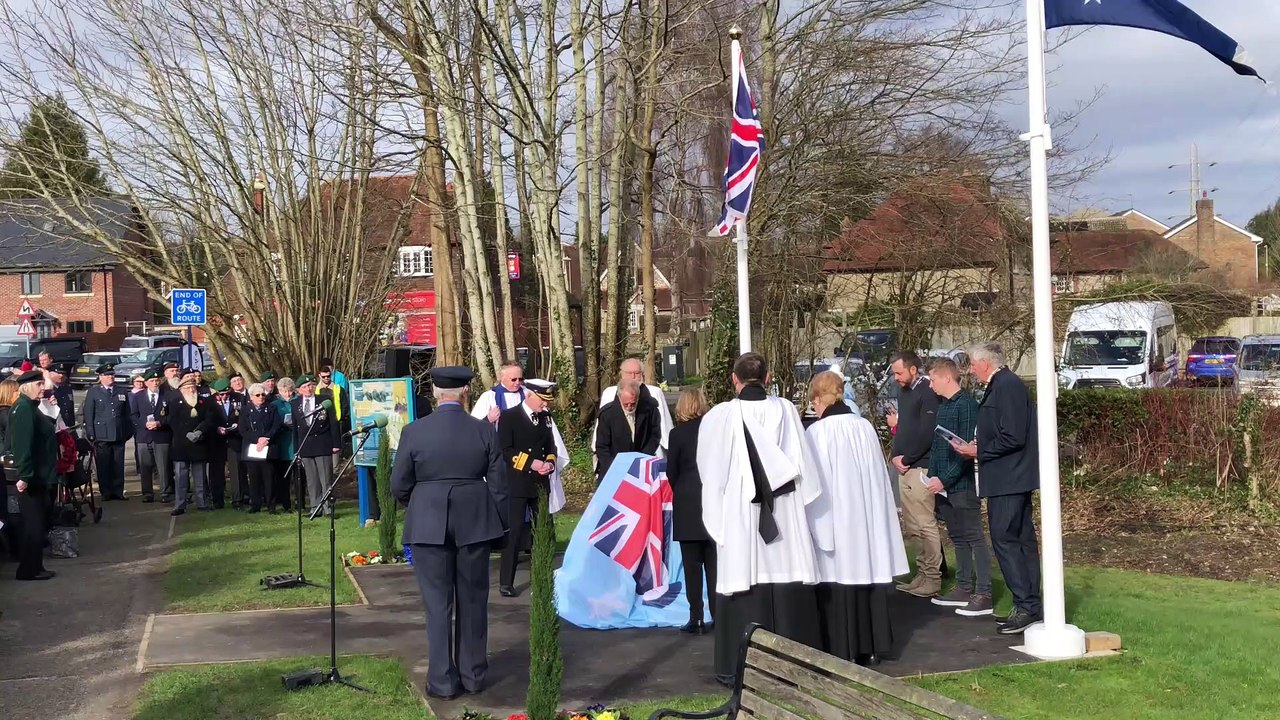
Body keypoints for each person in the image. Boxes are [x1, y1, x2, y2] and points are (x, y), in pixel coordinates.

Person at [696, 352, 832, 685]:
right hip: (783, 506)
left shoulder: (719, 416)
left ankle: (737, 666)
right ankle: (797, 665)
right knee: (787, 573)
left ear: (734, 379)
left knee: (746, 573)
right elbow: (806, 468)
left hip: (742, 510)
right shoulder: (785, 409)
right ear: (768, 378)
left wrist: (718, 509)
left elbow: (709, 470)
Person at [392, 365, 508, 700]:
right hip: (474, 521)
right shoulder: (483, 431)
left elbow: (398, 483)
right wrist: (499, 525)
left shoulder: (414, 431)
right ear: (464, 394)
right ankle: (473, 675)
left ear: (436, 395)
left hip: (428, 523)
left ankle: (442, 680)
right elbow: (499, 484)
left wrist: (421, 503)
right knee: (473, 601)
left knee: (436, 604)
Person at [806, 371, 907, 666]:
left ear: (816, 399)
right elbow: (876, 476)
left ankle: (843, 645)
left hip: (837, 519)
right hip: (866, 517)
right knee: (867, 576)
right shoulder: (863, 427)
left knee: (840, 579)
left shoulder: (817, 433)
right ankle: (872, 645)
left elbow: (815, 485)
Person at [952, 342, 1042, 634]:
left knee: (1007, 539)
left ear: (985, 363)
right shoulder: (1002, 385)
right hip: (1008, 476)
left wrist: (979, 451)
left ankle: (1027, 605)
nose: (972, 370)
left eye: (974, 365)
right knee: (1019, 539)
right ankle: (1029, 604)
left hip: (1009, 478)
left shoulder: (1006, 385)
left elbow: (1013, 435)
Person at [926, 359, 993, 618]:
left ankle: (984, 592)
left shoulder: (966, 405)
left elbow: (965, 450)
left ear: (946, 378)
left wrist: (946, 479)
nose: (930, 385)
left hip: (961, 484)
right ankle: (964, 586)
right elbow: (939, 445)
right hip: (942, 484)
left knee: (974, 536)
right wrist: (933, 476)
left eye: (933, 380)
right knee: (957, 536)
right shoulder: (943, 406)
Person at [496, 378, 561, 598]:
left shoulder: (546, 418)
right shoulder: (509, 417)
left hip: (540, 483)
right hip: (518, 482)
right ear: (529, 395)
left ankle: (542, 577)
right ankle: (506, 581)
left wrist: (550, 463)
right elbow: (505, 450)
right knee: (514, 534)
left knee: (541, 532)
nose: (545, 405)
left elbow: (550, 446)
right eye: (542, 400)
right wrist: (530, 463)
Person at [887, 351, 942, 598]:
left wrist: (907, 459)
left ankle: (933, 577)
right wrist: (896, 457)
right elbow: (906, 428)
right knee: (913, 526)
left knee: (925, 523)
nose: (895, 377)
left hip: (920, 467)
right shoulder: (904, 392)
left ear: (912, 369)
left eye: (899, 372)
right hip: (904, 468)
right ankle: (922, 573)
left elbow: (927, 432)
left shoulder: (927, 392)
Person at [665, 387, 715, 635]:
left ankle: (696, 616)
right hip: (712, 502)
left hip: (686, 502)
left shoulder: (677, 435)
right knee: (714, 565)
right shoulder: (714, 432)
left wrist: (682, 490)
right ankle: (718, 614)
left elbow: (671, 471)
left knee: (692, 566)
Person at [8, 369, 58, 581]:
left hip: (40, 474)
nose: (43, 388)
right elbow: (22, 446)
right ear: (28, 386)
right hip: (32, 476)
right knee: (33, 525)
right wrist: (25, 475)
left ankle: (36, 566)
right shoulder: (23, 409)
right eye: (39, 384)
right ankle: (27, 570)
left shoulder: (31, 407)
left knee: (38, 523)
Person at [593, 358, 674, 455]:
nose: (633, 376)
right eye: (629, 373)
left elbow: (659, 429)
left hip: (645, 455)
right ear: (621, 374)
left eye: (637, 373)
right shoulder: (609, 394)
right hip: (615, 458)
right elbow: (602, 437)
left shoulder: (653, 396)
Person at [167, 373, 216, 516]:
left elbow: (209, 419)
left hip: (198, 444)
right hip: (181, 445)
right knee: (181, 477)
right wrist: (186, 433)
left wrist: (199, 431)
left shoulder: (203, 402)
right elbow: (173, 421)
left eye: (193, 387)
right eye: (188, 387)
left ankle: (202, 503)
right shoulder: (175, 402)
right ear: (182, 389)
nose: (191, 390)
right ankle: (180, 505)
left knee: (200, 476)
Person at [83, 363, 133, 501]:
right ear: (101, 377)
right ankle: (106, 492)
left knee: (118, 464)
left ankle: (118, 490)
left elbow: (127, 413)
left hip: (118, 432)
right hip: (102, 434)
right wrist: (90, 432)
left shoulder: (121, 391)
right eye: (107, 375)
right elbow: (88, 413)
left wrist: (128, 431)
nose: (111, 377)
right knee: (104, 464)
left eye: (112, 374)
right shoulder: (94, 392)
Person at [594, 380, 662, 481]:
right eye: (625, 404)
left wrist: (641, 460)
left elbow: (654, 436)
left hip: (641, 468)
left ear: (638, 398)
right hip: (613, 469)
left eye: (633, 404)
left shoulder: (649, 411)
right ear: (619, 397)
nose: (629, 408)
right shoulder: (607, 415)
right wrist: (615, 467)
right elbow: (602, 446)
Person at [292, 375, 340, 515]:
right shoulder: (295, 404)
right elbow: (295, 428)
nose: (309, 388)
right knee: (311, 479)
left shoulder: (324, 400)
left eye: (310, 385)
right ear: (299, 390)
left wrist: (336, 443)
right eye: (305, 386)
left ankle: (327, 507)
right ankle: (315, 507)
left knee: (325, 478)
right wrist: (297, 449)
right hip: (305, 445)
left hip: (322, 443)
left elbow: (333, 423)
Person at [130, 368, 171, 504]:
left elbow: (172, 416)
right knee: (145, 466)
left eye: (157, 380)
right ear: (146, 383)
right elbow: (134, 415)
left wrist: (160, 423)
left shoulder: (167, 395)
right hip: (144, 436)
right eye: (152, 381)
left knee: (163, 466)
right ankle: (147, 493)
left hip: (161, 436)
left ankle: (165, 492)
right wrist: (145, 424)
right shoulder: (138, 397)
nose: (155, 383)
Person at [241, 382, 283, 513]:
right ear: (251, 397)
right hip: (253, 447)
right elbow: (243, 429)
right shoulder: (245, 410)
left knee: (269, 477)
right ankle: (256, 504)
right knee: (254, 478)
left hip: (268, 446)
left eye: (263, 395)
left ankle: (271, 504)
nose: (261, 397)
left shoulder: (271, 408)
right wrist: (257, 439)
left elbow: (276, 425)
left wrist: (265, 438)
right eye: (258, 395)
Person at [470, 361, 526, 425]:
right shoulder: (489, 397)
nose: (517, 382)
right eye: (513, 379)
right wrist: (488, 419)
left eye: (520, 379)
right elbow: (473, 425)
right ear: (502, 377)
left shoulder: (527, 393)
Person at [270, 377, 296, 513]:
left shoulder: (298, 401)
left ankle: (300, 502)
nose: (288, 394)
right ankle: (285, 503)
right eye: (284, 392)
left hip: (296, 443)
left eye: (290, 391)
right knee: (282, 477)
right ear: (279, 391)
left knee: (299, 477)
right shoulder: (274, 404)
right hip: (281, 444)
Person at [224, 372, 249, 508]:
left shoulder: (250, 395)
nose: (238, 383)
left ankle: (251, 495)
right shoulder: (229, 398)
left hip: (248, 438)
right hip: (234, 439)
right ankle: (238, 498)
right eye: (235, 381)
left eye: (240, 380)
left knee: (249, 469)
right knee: (236, 470)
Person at [0, 379, 18, 560]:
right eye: (16, 392)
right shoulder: (6, 414)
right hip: (8, 467)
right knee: (11, 508)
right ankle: (13, 547)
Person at [46, 362, 75, 427]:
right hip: (55, 425)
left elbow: (70, 408)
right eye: (58, 373)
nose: (61, 375)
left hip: (68, 424)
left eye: (63, 373)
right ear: (50, 374)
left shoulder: (67, 388)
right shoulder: (47, 390)